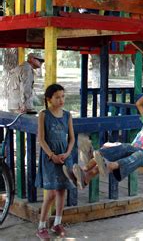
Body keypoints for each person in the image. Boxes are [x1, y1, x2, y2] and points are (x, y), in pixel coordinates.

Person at [69, 84, 143, 188]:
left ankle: (109, 166)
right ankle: (85, 172)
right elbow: (139, 104)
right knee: (124, 147)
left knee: (137, 154)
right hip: (135, 150)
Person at [35, 84, 75, 239]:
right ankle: (41, 226)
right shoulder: (43, 114)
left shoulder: (67, 115)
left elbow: (71, 139)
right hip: (50, 158)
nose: (61, 100)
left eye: (63, 96)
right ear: (49, 99)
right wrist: (52, 156)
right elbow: (41, 139)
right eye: (57, 97)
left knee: (61, 191)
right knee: (50, 193)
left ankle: (57, 223)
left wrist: (67, 153)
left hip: (65, 157)